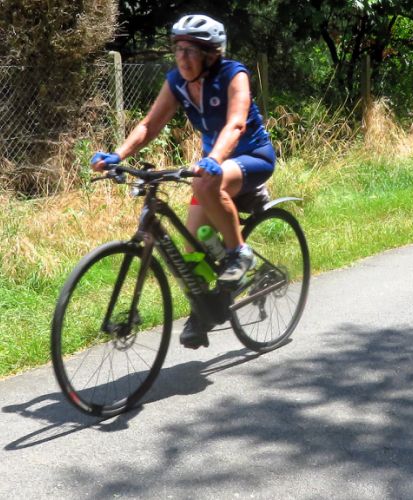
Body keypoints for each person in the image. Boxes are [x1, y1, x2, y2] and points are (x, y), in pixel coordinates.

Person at [91, 14, 276, 349]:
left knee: (202, 185)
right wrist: (118, 155)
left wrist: (214, 159)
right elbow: (149, 125)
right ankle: (205, 311)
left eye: (190, 51)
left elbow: (235, 124)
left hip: (251, 157)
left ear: (210, 54)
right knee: (193, 248)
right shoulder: (177, 81)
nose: (182, 58)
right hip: (212, 167)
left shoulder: (233, 75)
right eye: (178, 49)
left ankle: (240, 253)